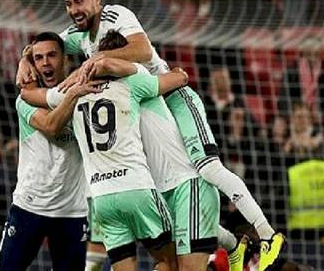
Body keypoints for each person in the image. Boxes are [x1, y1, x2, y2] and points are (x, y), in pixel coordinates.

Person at [15, 0, 285, 270]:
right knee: (172, 206)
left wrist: (96, 61)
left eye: (79, 1)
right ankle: (234, 244)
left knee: (206, 167)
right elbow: (47, 47)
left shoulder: (117, 20)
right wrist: (25, 59)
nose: (74, 8)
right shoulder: (79, 43)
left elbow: (152, 57)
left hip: (172, 96)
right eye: (68, 3)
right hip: (142, 128)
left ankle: (267, 235)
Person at [25, 30, 245, 271]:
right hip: (137, 188)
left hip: (102, 198)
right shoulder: (135, 80)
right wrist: (176, 72)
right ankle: (233, 247)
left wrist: (24, 63)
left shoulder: (70, 93)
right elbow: (179, 79)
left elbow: (27, 94)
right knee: (171, 262)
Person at [0, 32, 99, 271]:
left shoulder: (89, 97)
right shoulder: (27, 100)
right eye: (39, 58)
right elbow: (52, 126)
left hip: (73, 210)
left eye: (52, 55)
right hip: (30, 206)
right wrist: (73, 93)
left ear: (66, 61)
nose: (45, 63)